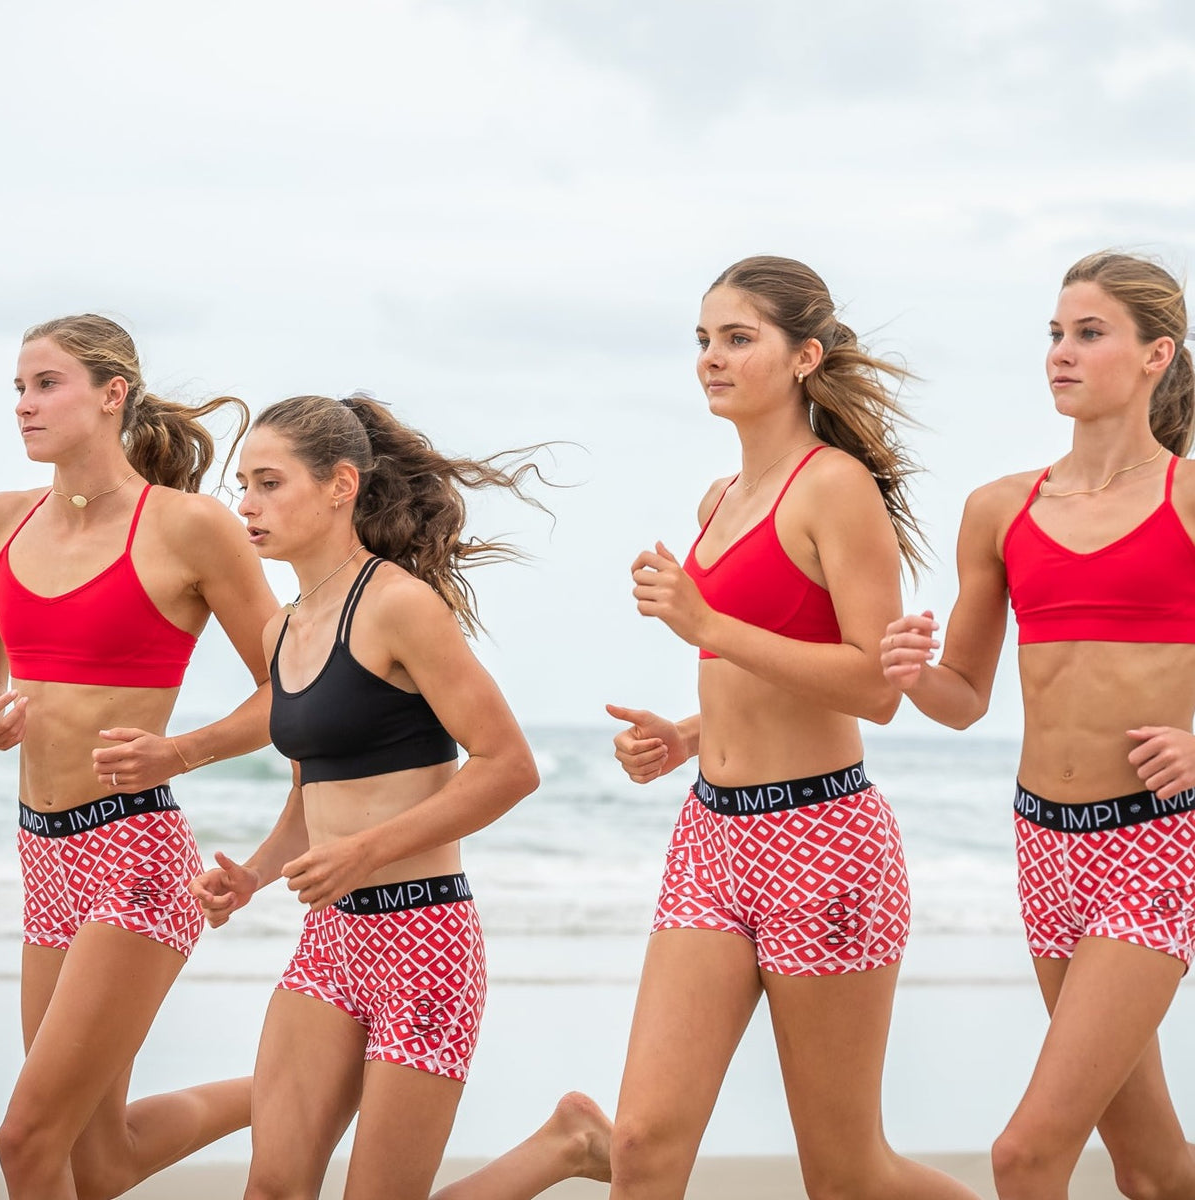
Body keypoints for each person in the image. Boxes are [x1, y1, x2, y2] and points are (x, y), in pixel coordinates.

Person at [598, 256, 980, 1200]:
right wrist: (688, 735)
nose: (712, 359)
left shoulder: (835, 488)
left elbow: (874, 687)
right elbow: (758, 676)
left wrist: (705, 625)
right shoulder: (716, 502)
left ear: (804, 355)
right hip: (711, 835)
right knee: (642, 1144)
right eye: (703, 340)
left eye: (738, 339)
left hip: (822, 839)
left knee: (846, 1174)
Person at [881, 251, 1195, 1200]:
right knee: (1150, 1166)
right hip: (1044, 845)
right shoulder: (1000, 509)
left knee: (1025, 1155)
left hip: (1153, 845)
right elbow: (964, 696)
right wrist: (910, 673)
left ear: (1156, 356)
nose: (1061, 352)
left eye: (1089, 333)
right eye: (1055, 333)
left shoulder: (1187, 497)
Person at [190, 393, 544, 1200]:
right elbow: (310, 799)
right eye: (242, 483)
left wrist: (362, 852)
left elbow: (508, 766)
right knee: (273, 1189)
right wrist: (252, 875)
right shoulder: (282, 630)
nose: (246, 504)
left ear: (340, 485)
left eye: (270, 483)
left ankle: (560, 1146)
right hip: (330, 942)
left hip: (424, 937)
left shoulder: (400, 606)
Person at [0, 315, 278, 1200]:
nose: (25, 406)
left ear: (112, 394)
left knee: (26, 1141)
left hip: (133, 857)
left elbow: (298, 693)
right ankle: (299, 1088)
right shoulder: (5, 519)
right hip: (43, 855)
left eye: (48, 385)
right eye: (18, 388)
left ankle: (308, 1086)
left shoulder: (190, 528)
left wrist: (181, 751)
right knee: (97, 1155)